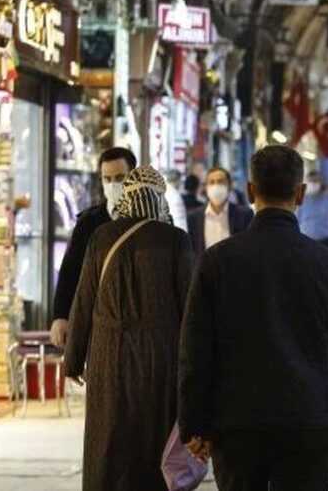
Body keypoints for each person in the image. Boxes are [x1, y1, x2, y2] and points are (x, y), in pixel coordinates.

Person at [179, 145, 328, 491]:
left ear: (250, 191)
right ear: (300, 194)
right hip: (307, 418)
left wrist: (194, 423)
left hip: (237, 423)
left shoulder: (217, 262)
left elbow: (195, 349)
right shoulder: (326, 264)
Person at [63, 166, 194, 490]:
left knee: (109, 438)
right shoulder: (176, 239)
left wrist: (73, 359)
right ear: (160, 198)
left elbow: (84, 299)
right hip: (160, 358)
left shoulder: (102, 237)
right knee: (154, 437)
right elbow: (190, 309)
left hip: (109, 355)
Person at [49, 147, 137, 348]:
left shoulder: (148, 221)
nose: (113, 185)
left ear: (133, 177)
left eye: (120, 178)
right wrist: (60, 316)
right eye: (107, 179)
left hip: (137, 323)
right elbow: (70, 270)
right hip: (98, 320)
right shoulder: (88, 223)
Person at [186, 166, 254, 255]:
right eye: (211, 182)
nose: (216, 186)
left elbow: (249, 248)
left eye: (220, 182)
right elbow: (193, 251)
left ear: (229, 186)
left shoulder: (244, 215)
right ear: (206, 187)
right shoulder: (193, 218)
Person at [299, 170, 328, 251]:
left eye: (315, 181)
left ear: (320, 183)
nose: (313, 183)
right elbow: (297, 218)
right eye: (310, 181)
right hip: (307, 240)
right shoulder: (302, 199)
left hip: (327, 240)